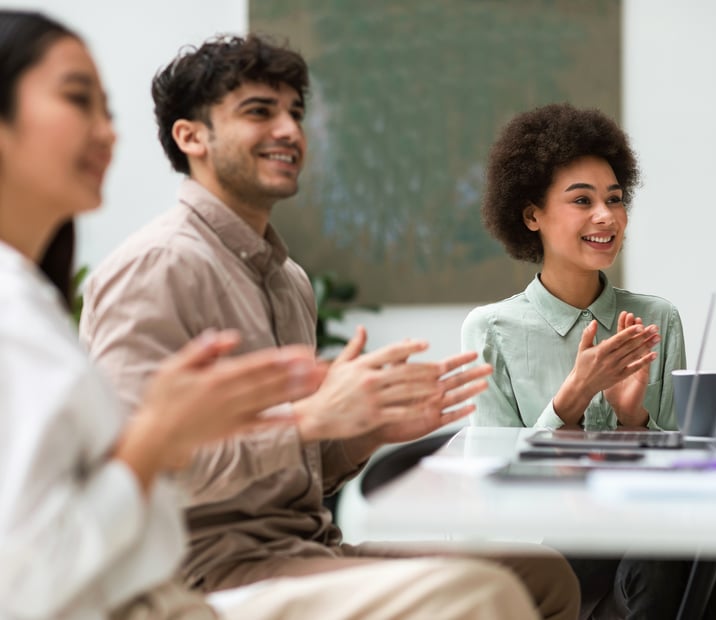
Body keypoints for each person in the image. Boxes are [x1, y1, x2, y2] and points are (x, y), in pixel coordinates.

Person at [0, 10, 544, 619]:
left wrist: (360, 431)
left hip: (302, 544)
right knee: (483, 594)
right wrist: (306, 419)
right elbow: (155, 480)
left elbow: (290, 476)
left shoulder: (288, 281)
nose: (289, 130)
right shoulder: (155, 267)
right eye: (260, 111)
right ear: (191, 137)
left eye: (296, 114)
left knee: (542, 576)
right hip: (211, 565)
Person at [462, 103, 716, 618]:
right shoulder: (491, 330)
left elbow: (686, 474)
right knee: (687, 537)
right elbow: (493, 488)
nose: (607, 216)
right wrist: (568, 403)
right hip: (548, 556)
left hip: (642, 542)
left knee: (689, 528)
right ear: (532, 215)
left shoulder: (657, 320)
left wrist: (632, 420)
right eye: (582, 200)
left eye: (615, 200)